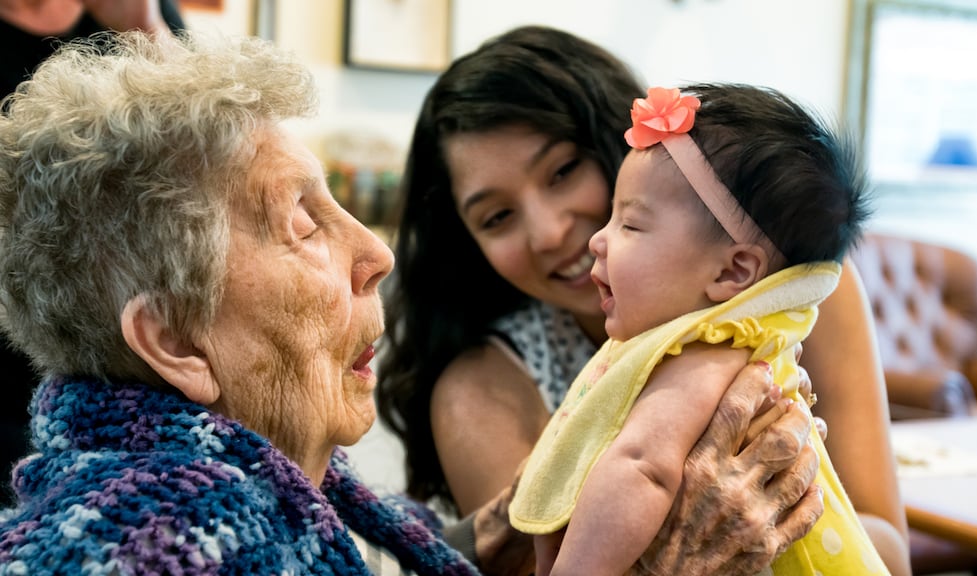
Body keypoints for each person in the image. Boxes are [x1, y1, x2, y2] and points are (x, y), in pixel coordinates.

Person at [0, 29, 822, 576]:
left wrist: (492, 530)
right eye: (302, 224)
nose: (377, 255)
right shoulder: (167, 541)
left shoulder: (247, 483)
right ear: (175, 339)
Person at [376, 24, 911, 576]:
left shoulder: (789, 295)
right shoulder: (481, 389)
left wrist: (788, 513)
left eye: (563, 171)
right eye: (497, 217)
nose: (551, 233)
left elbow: (889, 555)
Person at [508, 82, 886, 576]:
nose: (598, 240)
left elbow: (642, 469)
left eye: (630, 225)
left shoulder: (709, 353)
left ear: (732, 272)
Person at [0, 0, 186, 508]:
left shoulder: (138, 16)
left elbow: (208, 147)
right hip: (12, 340)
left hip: (125, 347)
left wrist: (144, 28)